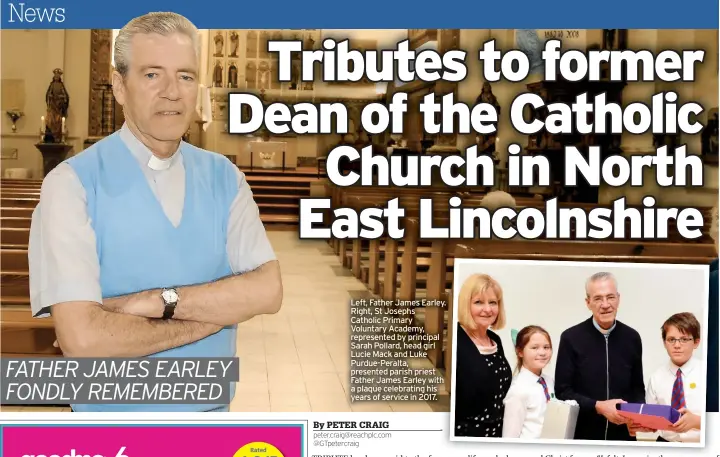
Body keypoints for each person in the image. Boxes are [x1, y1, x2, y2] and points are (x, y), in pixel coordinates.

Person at [28, 12, 283, 412]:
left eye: (184, 76)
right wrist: (216, 314)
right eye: (152, 75)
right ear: (120, 86)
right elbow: (85, 341)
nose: (172, 92)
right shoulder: (71, 184)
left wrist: (156, 303)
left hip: (211, 424)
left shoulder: (225, 178)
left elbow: (268, 291)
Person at [554, 272, 645, 441]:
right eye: (597, 298)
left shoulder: (632, 337)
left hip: (623, 437)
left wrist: (637, 416)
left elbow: (637, 388)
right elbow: (562, 391)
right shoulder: (570, 338)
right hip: (582, 436)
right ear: (588, 302)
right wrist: (598, 406)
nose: (605, 305)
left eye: (610, 297)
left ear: (618, 299)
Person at [454, 274, 512, 437]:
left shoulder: (495, 340)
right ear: (467, 305)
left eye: (493, 302)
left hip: (497, 434)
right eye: (479, 302)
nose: (487, 309)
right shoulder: (457, 340)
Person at [644, 313, 704, 443]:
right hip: (665, 443)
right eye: (671, 339)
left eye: (684, 339)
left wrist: (698, 422)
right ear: (664, 343)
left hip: (700, 445)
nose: (677, 345)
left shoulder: (709, 375)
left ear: (696, 342)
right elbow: (651, 418)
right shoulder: (656, 378)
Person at [502, 326, 555, 439]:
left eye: (546, 347)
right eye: (534, 348)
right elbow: (509, 437)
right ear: (520, 352)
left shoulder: (549, 381)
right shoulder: (518, 390)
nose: (542, 352)